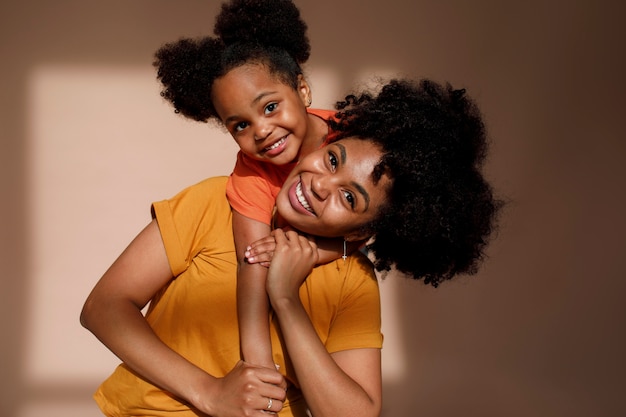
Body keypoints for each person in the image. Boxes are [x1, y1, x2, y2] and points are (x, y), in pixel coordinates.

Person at [80, 77, 502, 417]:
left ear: (359, 233)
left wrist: (285, 297)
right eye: (333, 160)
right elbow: (103, 306)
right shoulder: (214, 202)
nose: (320, 184)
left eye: (350, 197)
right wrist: (210, 393)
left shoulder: (351, 279)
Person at [153, 0, 357, 372]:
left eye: (269, 107)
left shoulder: (355, 136)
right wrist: (259, 370)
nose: (261, 131)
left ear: (304, 90)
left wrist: (315, 247)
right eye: (240, 126)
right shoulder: (250, 173)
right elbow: (252, 267)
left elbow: (378, 215)